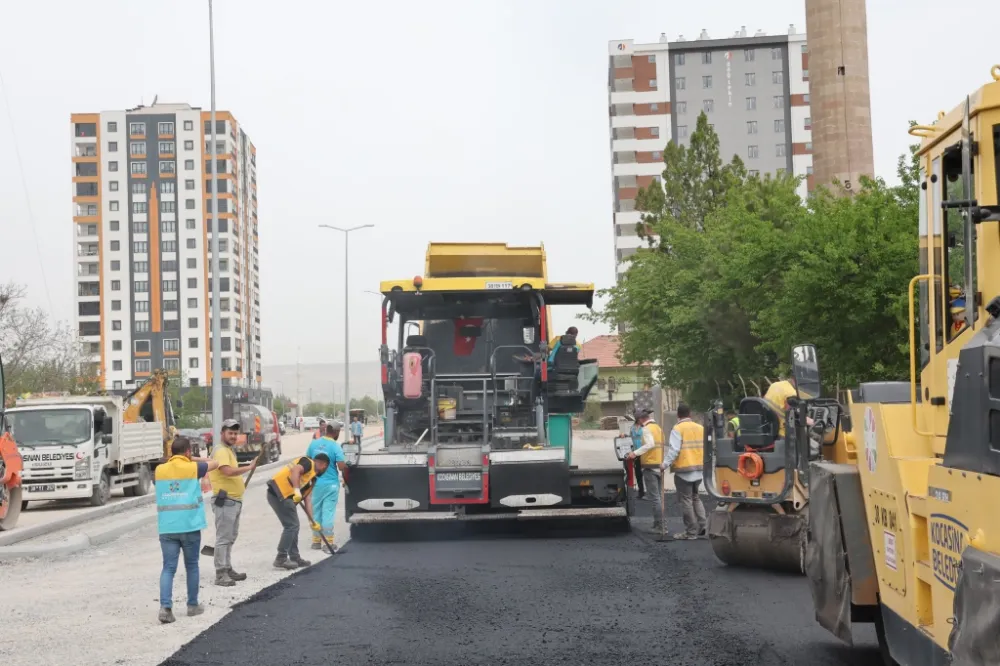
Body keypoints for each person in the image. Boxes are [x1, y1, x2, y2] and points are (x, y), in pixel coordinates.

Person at [155, 438, 219, 624]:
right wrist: (194, 459)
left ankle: (165, 608)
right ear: (188, 452)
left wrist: (177, 459)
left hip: (167, 527)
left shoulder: (160, 470)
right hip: (190, 526)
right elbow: (214, 463)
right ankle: (192, 606)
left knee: (168, 568)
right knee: (191, 566)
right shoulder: (193, 468)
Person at [208, 418, 258, 587]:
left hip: (233, 500)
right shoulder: (221, 451)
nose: (233, 436)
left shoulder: (228, 450)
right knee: (224, 537)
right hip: (225, 500)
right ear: (222, 433)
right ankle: (221, 573)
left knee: (230, 536)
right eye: (230, 433)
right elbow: (227, 471)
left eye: (235, 433)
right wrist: (248, 468)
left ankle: (227, 568)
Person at [266, 453, 331, 569]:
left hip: (285, 497)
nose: (325, 470)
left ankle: (295, 557)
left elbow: (308, 499)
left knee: (293, 526)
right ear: (323, 465)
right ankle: (281, 558)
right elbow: (295, 470)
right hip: (279, 493)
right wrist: (296, 490)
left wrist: (312, 521)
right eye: (326, 467)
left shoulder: (312, 479)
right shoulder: (308, 463)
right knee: (292, 526)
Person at [660, 403, 708, 540]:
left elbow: (674, 450)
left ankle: (691, 532)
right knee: (695, 497)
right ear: (690, 414)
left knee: (686, 500)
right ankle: (703, 526)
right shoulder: (700, 428)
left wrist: (665, 464)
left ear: (678, 415)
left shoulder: (678, 428)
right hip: (699, 469)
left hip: (684, 471)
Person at [306, 424, 349, 553]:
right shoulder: (335, 446)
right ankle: (328, 542)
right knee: (328, 512)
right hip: (331, 484)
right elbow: (341, 466)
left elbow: (307, 461)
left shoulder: (314, 444)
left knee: (316, 511)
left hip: (315, 483)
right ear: (336, 432)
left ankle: (316, 541)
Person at [625, 409, 665, 532]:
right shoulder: (658, 428)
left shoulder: (646, 429)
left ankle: (660, 526)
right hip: (659, 465)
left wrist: (634, 453)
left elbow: (650, 444)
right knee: (659, 497)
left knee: (655, 498)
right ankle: (658, 523)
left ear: (642, 419)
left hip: (650, 466)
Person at [628, 418, 645, 499]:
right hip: (635, 453)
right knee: (638, 473)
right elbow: (629, 438)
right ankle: (641, 492)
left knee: (646, 473)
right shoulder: (632, 428)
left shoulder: (645, 427)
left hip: (644, 452)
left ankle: (650, 492)